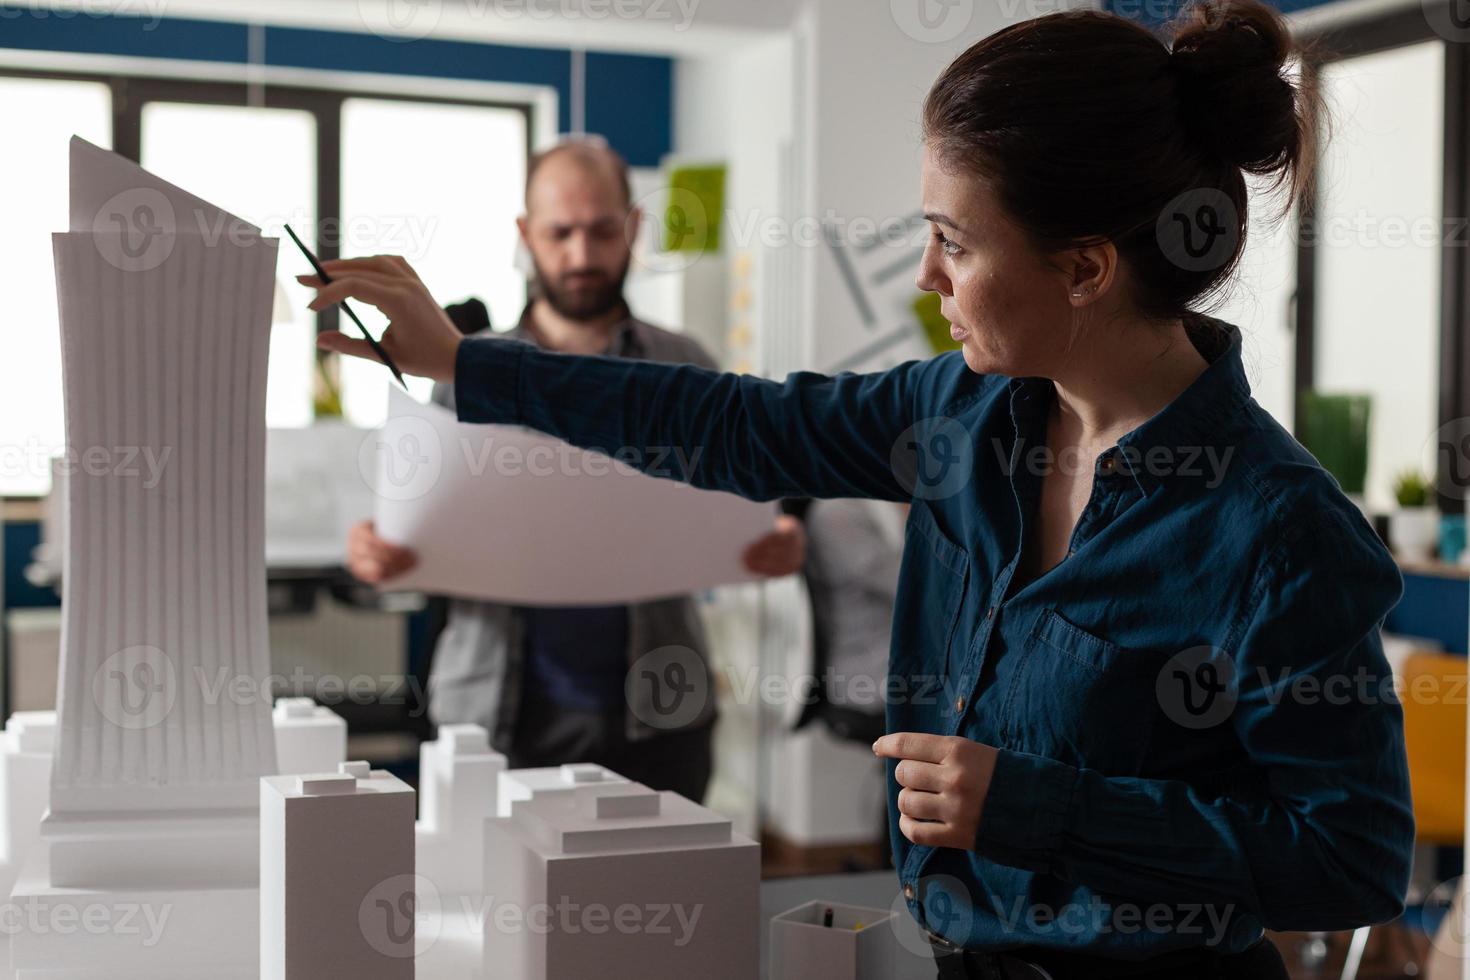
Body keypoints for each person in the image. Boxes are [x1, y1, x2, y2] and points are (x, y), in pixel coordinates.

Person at [305, 3, 1414, 976]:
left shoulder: (1277, 531)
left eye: (952, 242)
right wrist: (463, 361)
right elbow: (731, 423)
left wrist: (1039, 806)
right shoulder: (959, 416)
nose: (927, 278)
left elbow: (1351, 857)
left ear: (1085, 268)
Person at [342, 138, 806, 805]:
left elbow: (744, 503)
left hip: (662, 713)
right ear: (526, 235)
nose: (582, 256)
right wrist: (381, 551)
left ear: (634, 228)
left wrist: (776, 544)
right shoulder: (462, 371)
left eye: (602, 230)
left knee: (662, 896)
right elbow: (420, 528)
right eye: (560, 233)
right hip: (494, 716)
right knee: (495, 904)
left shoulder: (686, 362)